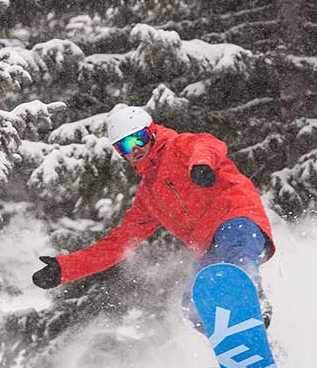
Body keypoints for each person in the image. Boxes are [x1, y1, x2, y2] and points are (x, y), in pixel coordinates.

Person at [31, 104, 275, 329]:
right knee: (194, 305)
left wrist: (202, 164)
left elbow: (208, 143)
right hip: (208, 245)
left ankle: (253, 303)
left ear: (152, 133)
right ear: (120, 153)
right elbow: (118, 243)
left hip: (237, 217)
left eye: (140, 138)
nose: (136, 149)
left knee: (236, 259)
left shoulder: (179, 147)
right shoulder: (149, 197)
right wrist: (65, 269)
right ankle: (247, 346)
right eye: (126, 146)